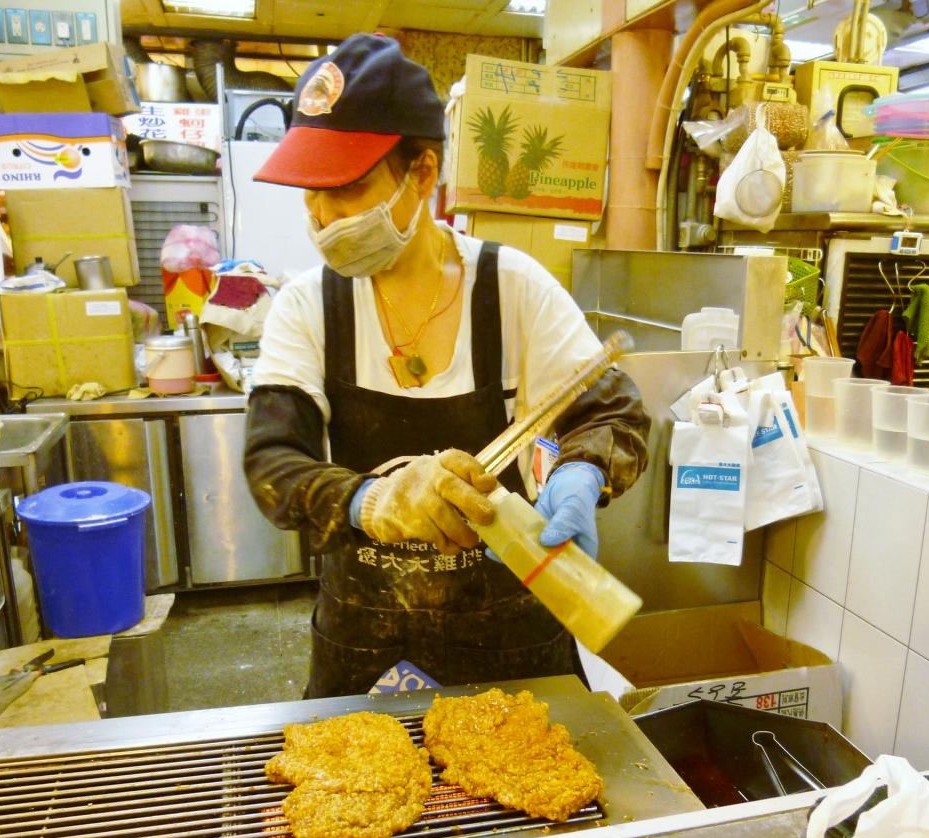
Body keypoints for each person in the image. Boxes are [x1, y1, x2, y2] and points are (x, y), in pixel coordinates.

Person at [244, 33, 650, 698]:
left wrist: (580, 471)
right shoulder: (306, 305)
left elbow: (615, 415)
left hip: (510, 640)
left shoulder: (513, 288)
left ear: (423, 172)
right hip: (362, 643)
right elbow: (273, 465)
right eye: (309, 192)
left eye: (344, 188)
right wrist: (372, 501)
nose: (321, 216)